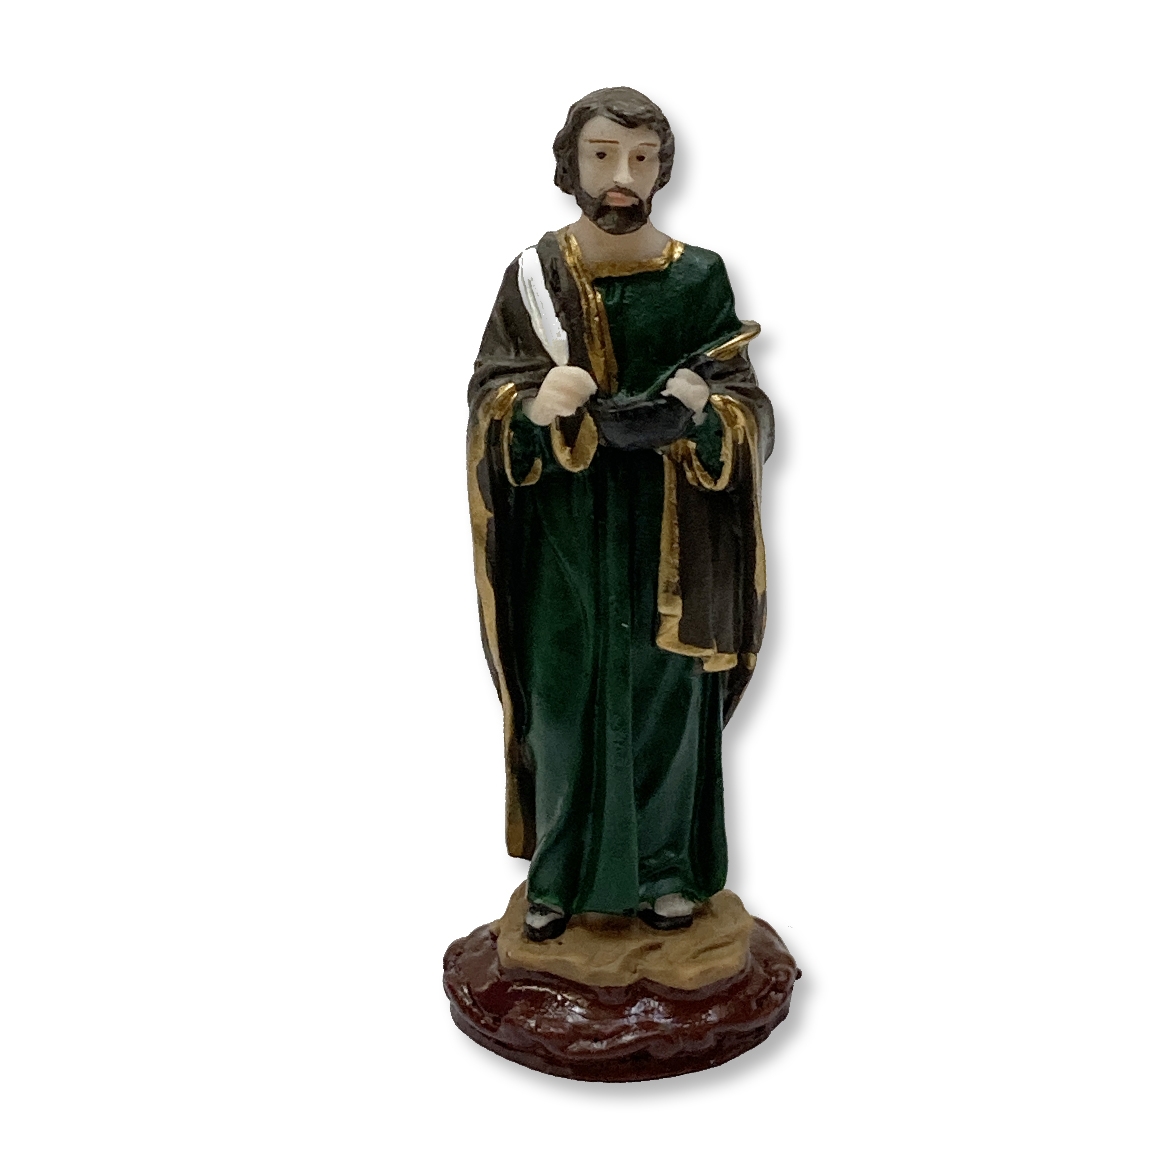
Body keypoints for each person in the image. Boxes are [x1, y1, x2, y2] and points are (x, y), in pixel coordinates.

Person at [467, 88, 773, 941]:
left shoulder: (697, 276)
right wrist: (532, 407)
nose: (622, 176)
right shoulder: (535, 278)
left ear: (663, 169)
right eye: (603, 155)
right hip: (565, 531)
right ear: (570, 163)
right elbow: (489, 397)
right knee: (562, 702)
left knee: (666, 700)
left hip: (672, 532)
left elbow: (748, 409)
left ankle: (666, 870)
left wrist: (704, 410)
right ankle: (560, 873)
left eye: (641, 158)